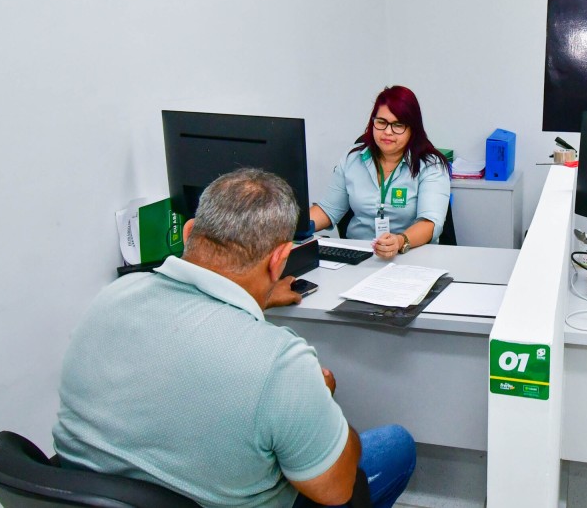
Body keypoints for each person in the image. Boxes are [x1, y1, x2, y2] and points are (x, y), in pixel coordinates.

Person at [52, 168, 416, 508]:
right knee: (395, 445)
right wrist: (321, 399)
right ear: (280, 260)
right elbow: (336, 490)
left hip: (96, 494)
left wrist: (258, 297)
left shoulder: (111, 299)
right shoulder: (281, 363)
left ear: (188, 232)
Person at [310, 86, 450, 260]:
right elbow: (327, 210)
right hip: (358, 256)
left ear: (412, 129)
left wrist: (399, 241)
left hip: (410, 256)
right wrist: (291, 227)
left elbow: (429, 223)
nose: (388, 132)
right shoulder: (352, 158)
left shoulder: (431, 165)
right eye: (381, 122)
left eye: (398, 125)